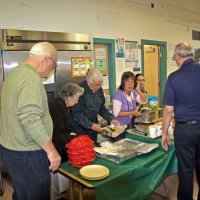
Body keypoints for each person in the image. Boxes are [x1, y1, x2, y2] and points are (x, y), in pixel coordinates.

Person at [0, 42, 61, 200]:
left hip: (12, 150)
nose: (49, 72)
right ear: (47, 60)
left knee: (22, 193)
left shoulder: (14, 74)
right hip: (28, 153)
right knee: (35, 195)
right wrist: (52, 151)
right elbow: (30, 118)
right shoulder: (31, 78)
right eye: (52, 66)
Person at [162, 42, 200, 200]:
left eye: (174, 58)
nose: (175, 62)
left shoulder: (174, 77)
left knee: (186, 172)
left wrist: (164, 134)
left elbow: (168, 110)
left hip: (185, 131)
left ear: (178, 56)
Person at [49, 83, 84, 200]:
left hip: (55, 144)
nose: (77, 101)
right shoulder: (58, 108)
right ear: (69, 97)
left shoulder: (60, 104)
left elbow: (60, 128)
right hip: (52, 147)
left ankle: (58, 195)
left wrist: (69, 134)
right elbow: (57, 135)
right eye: (77, 98)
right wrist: (72, 137)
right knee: (53, 177)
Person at [69, 69, 119, 142]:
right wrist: (91, 125)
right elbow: (77, 113)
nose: (99, 87)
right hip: (79, 127)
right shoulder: (79, 90)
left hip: (93, 126)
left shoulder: (99, 89)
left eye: (100, 84)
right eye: (96, 85)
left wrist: (110, 119)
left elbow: (101, 108)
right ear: (89, 82)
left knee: (92, 147)